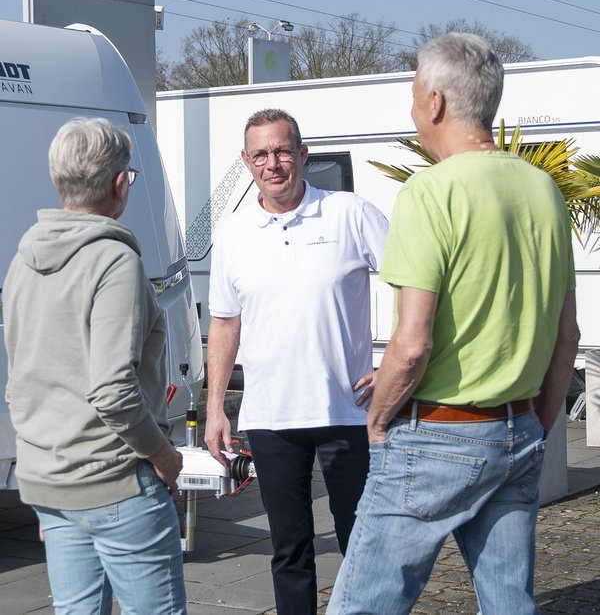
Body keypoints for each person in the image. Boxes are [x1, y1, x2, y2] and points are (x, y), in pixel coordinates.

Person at [326, 33, 580, 615]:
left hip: (437, 431)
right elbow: (567, 335)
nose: (413, 108)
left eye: (414, 93)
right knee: (509, 603)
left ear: (436, 102)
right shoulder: (543, 190)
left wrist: (379, 419)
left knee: (361, 606)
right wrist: (536, 423)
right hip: (516, 430)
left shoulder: (429, 193)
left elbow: (412, 345)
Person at [204, 108, 389, 615]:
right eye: (261, 154)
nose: (274, 163)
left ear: (303, 154)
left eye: (283, 150)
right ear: (246, 161)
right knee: (289, 552)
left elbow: (414, 279)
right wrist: (216, 407)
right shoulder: (234, 232)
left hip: (348, 413)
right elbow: (224, 324)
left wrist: (396, 363)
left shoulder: (349, 212)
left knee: (363, 549)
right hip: (270, 419)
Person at [3, 117, 187, 615]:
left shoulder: (22, 260)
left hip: (49, 475)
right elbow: (112, 389)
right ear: (119, 182)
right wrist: (164, 455)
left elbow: (22, 374)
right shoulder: (113, 261)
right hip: (115, 477)